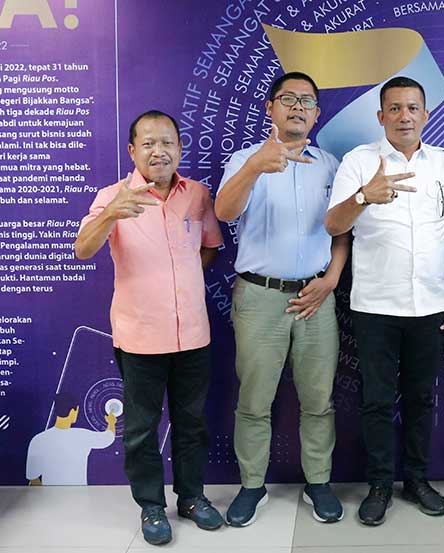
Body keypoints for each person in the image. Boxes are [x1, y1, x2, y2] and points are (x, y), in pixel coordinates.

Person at [324, 76, 444, 526]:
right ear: (381, 116)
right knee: (375, 401)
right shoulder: (358, 161)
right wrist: (362, 196)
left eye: (412, 108)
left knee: (420, 398)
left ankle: (416, 479)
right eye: (394, 108)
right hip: (374, 305)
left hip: (430, 306)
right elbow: (334, 225)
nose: (404, 116)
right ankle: (378, 485)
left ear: (426, 115)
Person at [74, 110, 224, 546]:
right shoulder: (112, 196)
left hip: (193, 334)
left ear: (179, 148)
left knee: (192, 422)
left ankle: (193, 498)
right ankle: (151, 506)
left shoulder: (197, 194)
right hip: (139, 337)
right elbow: (83, 249)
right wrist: (110, 216)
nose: (159, 151)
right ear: (132, 151)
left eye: (168, 143)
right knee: (141, 428)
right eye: (149, 144)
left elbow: (209, 249)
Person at [215, 71, 349, 525]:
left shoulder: (331, 165)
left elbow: (342, 231)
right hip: (261, 298)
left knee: (319, 398)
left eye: (307, 100)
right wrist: (255, 167)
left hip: (316, 295)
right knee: (254, 400)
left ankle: (318, 482)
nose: (297, 107)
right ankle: (252, 486)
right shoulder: (243, 159)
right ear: (270, 107)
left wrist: (332, 278)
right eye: (287, 99)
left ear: (316, 113)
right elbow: (224, 212)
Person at [26, 391, 116, 485]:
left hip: (50, 497)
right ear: (73, 411)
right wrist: (111, 422)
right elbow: (108, 437)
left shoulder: (38, 440)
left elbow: (33, 479)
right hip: (79, 497)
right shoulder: (83, 436)